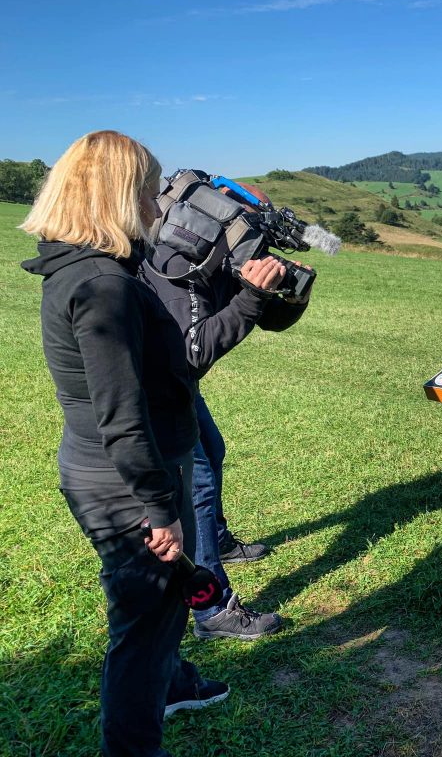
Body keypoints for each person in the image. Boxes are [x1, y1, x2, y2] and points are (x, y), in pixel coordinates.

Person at [20, 130, 227, 757]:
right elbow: (122, 416)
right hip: (125, 484)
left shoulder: (82, 268)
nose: (157, 205)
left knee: (154, 611)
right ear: (116, 194)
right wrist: (158, 508)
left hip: (107, 474)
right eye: (147, 189)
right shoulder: (102, 286)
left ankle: (173, 685)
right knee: (142, 626)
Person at [144, 180, 310, 640]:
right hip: (155, 389)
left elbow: (262, 315)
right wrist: (254, 295)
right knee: (195, 480)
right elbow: (191, 350)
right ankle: (213, 607)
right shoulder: (181, 257)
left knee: (211, 450)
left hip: (175, 385)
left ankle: (214, 538)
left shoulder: (218, 253)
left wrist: (291, 293)